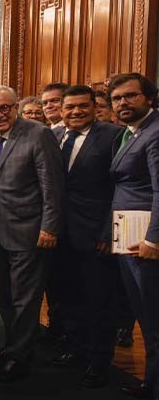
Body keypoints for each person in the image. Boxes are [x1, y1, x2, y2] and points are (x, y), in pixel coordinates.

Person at [0, 85, 63, 382]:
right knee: (4, 296)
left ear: (16, 106)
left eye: (5, 108)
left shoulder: (38, 133)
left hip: (29, 231)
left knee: (25, 299)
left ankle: (19, 358)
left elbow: (52, 186)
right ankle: (14, 344)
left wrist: (49, 227)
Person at [44, 85, 122, 388]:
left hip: (94, 234)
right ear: (61, 110)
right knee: (67, 296)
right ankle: (75, 350)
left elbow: (120, 188)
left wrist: (107, 232)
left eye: (82, 106)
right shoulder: (54, 136)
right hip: (59, 233)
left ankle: (100, 360)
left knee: (99, 300)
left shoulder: (112, 136)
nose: (76, 112)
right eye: (70, 107)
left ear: (94, 107)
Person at [106, 73, 159, 399]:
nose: (123, 103)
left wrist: (154, 240)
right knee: (145, 317)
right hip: (128, 235)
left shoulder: (154, 134)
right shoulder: (131, 133)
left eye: (130, 96)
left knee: (153, 319)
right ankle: (150, 383)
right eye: (116, 99)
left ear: (149, 97)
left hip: (146, 242)